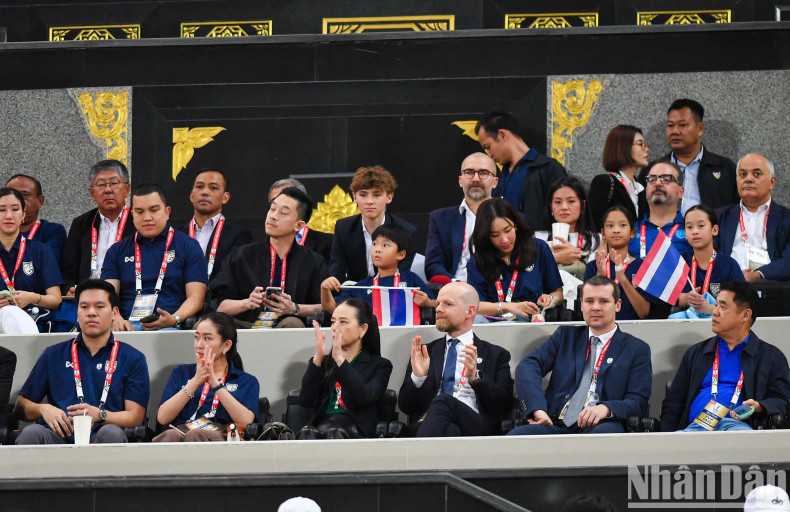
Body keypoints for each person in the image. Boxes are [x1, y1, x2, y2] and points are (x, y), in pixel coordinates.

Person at [509, 276, 652, 435]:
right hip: (556, 422)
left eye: (604, 301)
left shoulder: (636, 349)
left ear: (617, 305)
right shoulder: (565, 336)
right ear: (581, 305)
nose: (595, 307)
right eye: (589, 301)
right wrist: (538, 409)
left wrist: (607, 408)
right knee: (517, 436)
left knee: (603, 436)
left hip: (602, 425)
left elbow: (639, 402)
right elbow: (528, 366)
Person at [14, 279, 150, 444]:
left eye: (100, 307)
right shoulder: (53, 354)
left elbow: (135, 417)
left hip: (103, 435)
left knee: (111, 433)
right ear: (77, 314)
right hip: (59, 436)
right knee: (32, 433)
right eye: (84, 307)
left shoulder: (132, 358)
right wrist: (43, 408)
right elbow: (21, 407)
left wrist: (101, 415)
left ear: (114, 313)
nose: (91, 313)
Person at [660, 281, 790, 432]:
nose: (714, 312)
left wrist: (760, 406)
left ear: (745, 315)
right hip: (696, 428)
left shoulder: (770, 357)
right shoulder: (696, 353)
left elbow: (782, 401)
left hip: (739, 428)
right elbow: (673, 404)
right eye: (715, 306)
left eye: (722, 307)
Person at [397, 282, 513, 436]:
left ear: (470, 311)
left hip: (475, 423)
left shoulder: (496, 354)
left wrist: (476, 379)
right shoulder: (426, 352)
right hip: (429, 423)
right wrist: (418, 378)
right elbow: (406, 407)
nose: (438, 309)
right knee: (450, 429)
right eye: (438, 304)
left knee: (444, 401)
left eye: (448, 304)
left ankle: (417, 456)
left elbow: (504, 405)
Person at [213, 186, 326, 328]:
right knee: (208, 324)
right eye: (272, 209)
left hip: (286, 327)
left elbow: (325, 307)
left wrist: (294, 308)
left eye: (283, 212)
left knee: (292, 323)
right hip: (246, 326)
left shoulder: (313, 262)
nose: (273, 216)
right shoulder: (241, 255)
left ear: (298, 225)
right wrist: (247, 303)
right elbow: (220, 306)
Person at [102, 183, 207, 331]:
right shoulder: (117, 250)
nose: (147, 217)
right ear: (132, 215)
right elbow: (107, 295)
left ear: (167, 212)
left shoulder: (189, 246)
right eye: (139, 212)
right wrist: (115, 318)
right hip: (126, 326)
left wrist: (174, 319)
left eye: (154, 210)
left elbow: (196, 298)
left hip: (169, 326)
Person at [153, 312, 260, 442]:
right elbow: (163, 418)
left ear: (226, 345)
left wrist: (215, 383)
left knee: (195, 435)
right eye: (197, 337)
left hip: (222, 435)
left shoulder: (246, 381)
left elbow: (246, 421)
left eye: (207, 339)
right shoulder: (181, 373)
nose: (199, 345)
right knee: (169, 435)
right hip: (183, 430)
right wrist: (195, 381)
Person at [296, 298, 393, 438]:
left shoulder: (380, 365)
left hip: (356, 429)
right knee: (307, 434)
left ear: (363, 329)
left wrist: (340, 360)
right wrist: (317, 358)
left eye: (343, 322)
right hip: (321, 427)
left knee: (335, 433)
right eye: (333, 321)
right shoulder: (324, 363)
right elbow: (306, 401)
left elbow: (364, 398)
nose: (335, 327)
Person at [466, 198, 563, 322]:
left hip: (531, 319)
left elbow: (558, 294)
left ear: (515, 225)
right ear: (486, 235)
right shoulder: (477, 262)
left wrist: (549, 298)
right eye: (495, 235)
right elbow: (475, 306)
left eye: (508, 230)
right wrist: (508, 307)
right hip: (492, 322)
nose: (504, 240)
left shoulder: (539, 248)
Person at [638, 99, 738, 214]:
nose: (675, 131)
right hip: (663, 231)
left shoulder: (724, 168)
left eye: (682, 125)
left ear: (700, 129)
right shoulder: (652, 170)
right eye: (670, 125)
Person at [475, 111, 567, 229]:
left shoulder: (549, 168)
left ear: (502, 135)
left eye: (488, 147)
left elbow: (564, 215)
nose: (488, 154)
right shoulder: (502, 177)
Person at [321, 223, 435, 317]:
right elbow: (333, 308)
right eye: (375, 244)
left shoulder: (411, 279)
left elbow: (439, 305)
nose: (377, 250)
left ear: (400, 254)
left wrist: (428, 303)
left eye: (385, 245)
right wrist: (324, 290)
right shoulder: (363, 285)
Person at [329, 165, 417, 282]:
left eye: (377, 195)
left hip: (389, 295)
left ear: (389, 197)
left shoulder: (406, 231)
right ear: (354, 197)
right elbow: (336, 272)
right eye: (363, 195)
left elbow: (401, 277)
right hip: (352, 296)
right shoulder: (343, 228)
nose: (369, 201)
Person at [61, 159, 135, 294]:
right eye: (101, 185)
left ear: (127, 189)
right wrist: (69, 289)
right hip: (88, 295)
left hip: (126, 295)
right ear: (92, 193)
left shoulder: (137, 221)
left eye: (114, 183)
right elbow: (68, 272)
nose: (108, 190)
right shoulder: (81, 224)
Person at [424, 152, 498, 285]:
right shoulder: (441, 218)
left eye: (483, 173)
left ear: (495, 182)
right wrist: (456, 284)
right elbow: (433, 265)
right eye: (469, 172)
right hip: (455, 290)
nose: (476, 179)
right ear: (460, 180)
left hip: (496, 289)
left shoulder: (510, 218)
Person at [715, 153, 790, 282]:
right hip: (728, 290)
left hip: (771, 290)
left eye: (756, 174)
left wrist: (758, 274)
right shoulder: (719, 217)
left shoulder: (786, 218)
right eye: (743, 174)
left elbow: (787, 261)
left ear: (772, 182)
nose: (748, 179)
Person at [0, 187, 63, 334]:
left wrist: (33, 298)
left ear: (23, 214)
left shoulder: (41, 251)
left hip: (34, 324)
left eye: (15, 209)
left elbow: (56, 299)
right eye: (2, 210)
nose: (8, 216)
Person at [178, 169, 251, 283]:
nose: (205, 192)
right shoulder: (176, 235)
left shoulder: (238, 235)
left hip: (216, 298)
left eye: (213, 188)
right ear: (192, 196)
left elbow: (228, 276)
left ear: (225, 198)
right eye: (199, 186)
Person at [584, 206, 653, 320]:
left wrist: (623, 279)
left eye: (623, 225)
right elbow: (588, 309)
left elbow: (644, 312)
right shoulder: (593, 266)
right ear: (603, 233)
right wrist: (600, 276)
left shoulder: (643, 267)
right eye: (610, 226)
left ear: (632, 232)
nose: (616, 230)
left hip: (634, 330)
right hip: (601, 329)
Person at [675, 205, 744, 317]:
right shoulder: (679, 262)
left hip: (722, 328)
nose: (695, 231)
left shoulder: (729, 265)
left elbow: (743, 305)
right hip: (684, 327)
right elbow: (663, 300)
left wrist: (711, 309)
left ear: (714, 230)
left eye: (701, 226)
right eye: (689, 227)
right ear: (685, 234)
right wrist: (684, 299)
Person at [536, 176, 601, 280]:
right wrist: (555, 258)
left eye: (571, 201)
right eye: (558, 202)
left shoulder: (597, 240)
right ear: (550, 206)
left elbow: (599, 275)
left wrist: (580, 257)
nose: (564, 207)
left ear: (583, 205)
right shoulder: (538, 238)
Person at [589, 125, 650, 231]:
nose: (646, 149)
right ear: (624, 147)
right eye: (640, 144)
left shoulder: (641, 188)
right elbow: (594, 224)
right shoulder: (604, 183)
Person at [628, 162, 692, 259]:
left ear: (681, 192)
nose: (657, 183)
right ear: (646, 190)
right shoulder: (629, 231)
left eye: (666, 179)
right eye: (651, 180)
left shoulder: (691, 230)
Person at [268, 178, 333, 264]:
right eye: (274, 205)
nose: (275, 214)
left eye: (285, 203)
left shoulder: (329, 243)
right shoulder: (256, 251)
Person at [6, 174, 67, 263]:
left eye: (24, 195)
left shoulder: (52, 230)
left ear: (40, 201)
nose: (16, 201)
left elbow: (47, 260)